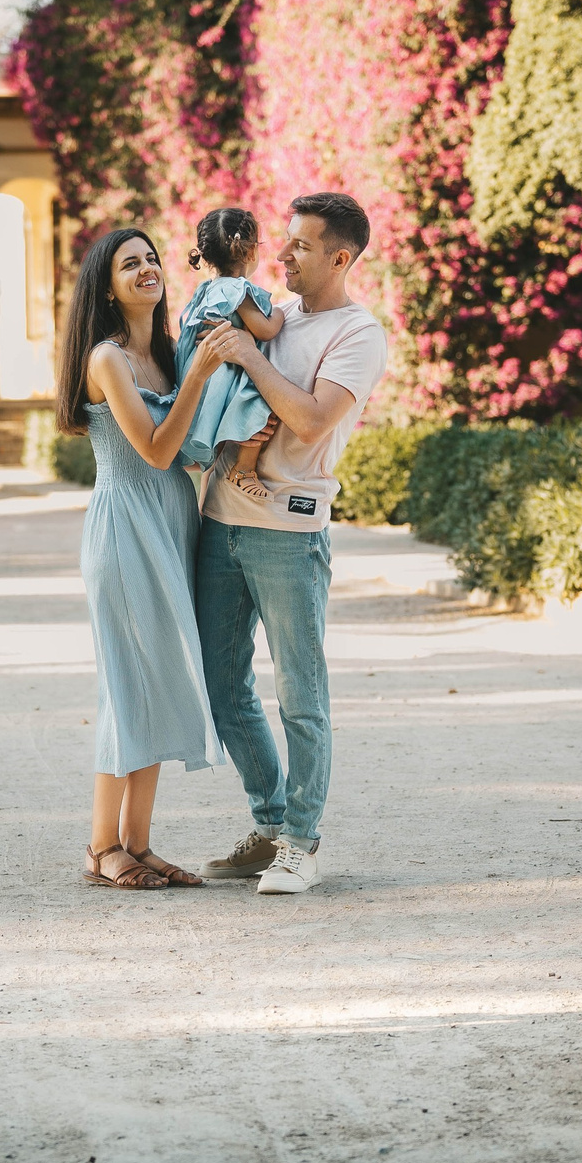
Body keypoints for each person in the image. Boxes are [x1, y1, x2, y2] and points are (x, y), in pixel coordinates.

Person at [188, 192, 389, 895]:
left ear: (340, 257)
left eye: (302, 246)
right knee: (222, 687)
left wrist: (249, 351)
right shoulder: (270, 310)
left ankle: (302, 842)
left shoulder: (359, 334)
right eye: (287, 242)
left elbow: (308, 419)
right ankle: (270, 824)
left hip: (290, 533)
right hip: (221, 522)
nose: (284, 254)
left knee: (300, 695)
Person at [55, 226, 231, 891]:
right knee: (127, 687)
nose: (147, 268)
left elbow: (189, 446)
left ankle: (139, 841)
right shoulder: (108, 359)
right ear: (106, 285)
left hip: (170, 523)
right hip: (126, 528)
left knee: (156, 678)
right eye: (130, 262)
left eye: (153, 257)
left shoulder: (161, 354)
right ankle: (102, 846)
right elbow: (155, 449)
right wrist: (202, 374)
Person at [173, 207, 288, 497]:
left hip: (203, 370)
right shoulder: (238, 290)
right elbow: (264, 330)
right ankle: (244, 469)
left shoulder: (205, 290)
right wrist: (280, 315)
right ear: (251, 251)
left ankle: (213, 474)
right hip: (228, 370)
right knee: (260, 401)